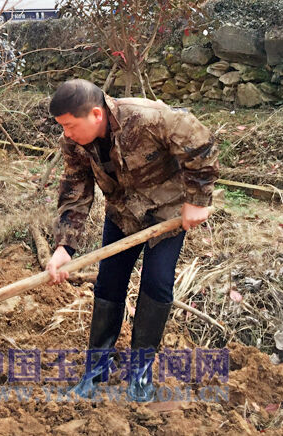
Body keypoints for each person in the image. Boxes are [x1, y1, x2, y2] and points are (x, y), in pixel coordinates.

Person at [45, 79, 219, 402]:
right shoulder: (74, 143)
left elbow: (201, 142)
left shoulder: (146, 118)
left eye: (69, 125)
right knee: (108, 282)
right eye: (62, 127)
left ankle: (140, 372)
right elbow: (75, 190)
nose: (66, 134)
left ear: (96, 114)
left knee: (157, 283)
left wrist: (197, 198)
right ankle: (97, 369)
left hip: (165, 214)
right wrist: (64, 248)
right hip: (123, 213)